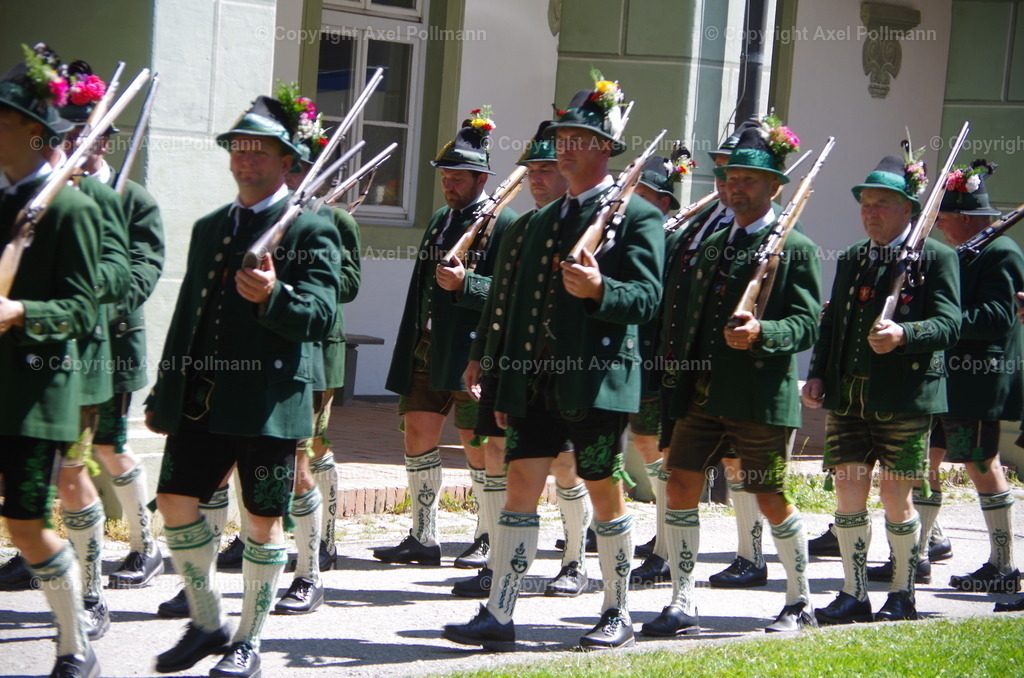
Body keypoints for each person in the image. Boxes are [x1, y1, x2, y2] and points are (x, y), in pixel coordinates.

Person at [443, 76, 665, 650]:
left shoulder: (638, 218)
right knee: (520, 482)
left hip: (594, 382)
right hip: (532, 381)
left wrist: (599, 289)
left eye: (579, 138)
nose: (565, 147)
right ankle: (500, 613)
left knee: (601, 485)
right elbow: (507, 309)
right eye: (563, 137)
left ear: (604, 148)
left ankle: (617, 612)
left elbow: (645, 299)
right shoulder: (535, 224)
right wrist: (490, 372)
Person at [147, 95, 341, 677]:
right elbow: (188, 315)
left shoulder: (312, 226)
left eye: (260, 151)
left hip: (266, 402)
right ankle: (207, 621)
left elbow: (322, 314)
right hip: (203, 398)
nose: (245, 160)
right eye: (238, 148)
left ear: (288, 162)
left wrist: (274, 298)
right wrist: (165, 390)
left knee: (260, 521)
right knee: (176, 503)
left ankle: (249, 641)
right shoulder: (212, 227)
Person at [644, 118, 821, 637]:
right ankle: (682, 601)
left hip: (756, 394)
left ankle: (800, 600)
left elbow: (807, 323)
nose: (732, 187)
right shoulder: (710, 241)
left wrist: (764, 331)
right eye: (727, 177)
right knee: (679, 484)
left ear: (774, 187)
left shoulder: (797, 247)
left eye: (745, 178)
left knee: (768, 494)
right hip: (698, 392)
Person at [803, 150, 961, 625]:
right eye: (866, 204)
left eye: (882, 204)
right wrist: (818, 373)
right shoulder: (853, 257)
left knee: (896, 496)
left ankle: (902, 592)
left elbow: (950, 324)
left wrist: (904, 336)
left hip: (904, 398)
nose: (871, 213)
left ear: (908, 208)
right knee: (848, 492)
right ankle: (853, 591)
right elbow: (834, 324)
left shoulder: (937, 256)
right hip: (850, 396)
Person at [453, 121, 592, 599]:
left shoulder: (582, 225)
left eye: (546, 168)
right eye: (531, 168)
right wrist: (479, 356)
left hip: (562, 369)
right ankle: (498, 559)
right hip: (508, 362)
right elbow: (501, 303)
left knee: (566, 467)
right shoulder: (522, 225)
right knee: (495, 453)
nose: (535, 177)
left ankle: (574, 561)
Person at [0, 42, 104, 678]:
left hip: (36, 396)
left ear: (36, 134)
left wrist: (19, 313)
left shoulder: (71, 206)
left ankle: (74, 643)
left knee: (26, 527)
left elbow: (83, 309)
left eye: (5, 119)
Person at [377, 108, 516, 567]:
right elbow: (421, 288)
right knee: (417, 430)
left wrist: (467, 285)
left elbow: (510, 297)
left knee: (478, 442)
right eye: (445, 177)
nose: (448, 185)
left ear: (480, 179)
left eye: (457, 178)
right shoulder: (441, 220)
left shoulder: (507, 225)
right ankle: (424, 535)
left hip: (473, 349)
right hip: (428, 346)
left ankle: (487, 534)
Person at [901, 160, 1019, 594]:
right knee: (924, 461)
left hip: (978, 379)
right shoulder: (953, 253)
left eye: (944, 218)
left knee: (981, 462)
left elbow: (999, 318)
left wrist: (942, 321)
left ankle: (1004, 565)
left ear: (965, 218)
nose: (939, 227)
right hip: (941, 377)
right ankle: (918, 556)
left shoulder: (1002, 253)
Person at [272, 82, 361, 615]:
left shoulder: (334, 219)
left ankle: (317, 543)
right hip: (269, 351)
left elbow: (346, 286)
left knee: (311, 448)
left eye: (299, 167)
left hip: (318, 349)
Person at [628, 150, 692, 587]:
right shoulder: (635, 232)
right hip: (634, 356)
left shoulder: (676, 239)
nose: (635, 201)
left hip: (661, 359)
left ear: (665, 203)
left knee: (657, 449)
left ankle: (666, 548)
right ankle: (657, 538)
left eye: (646, 195)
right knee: (641, 444)